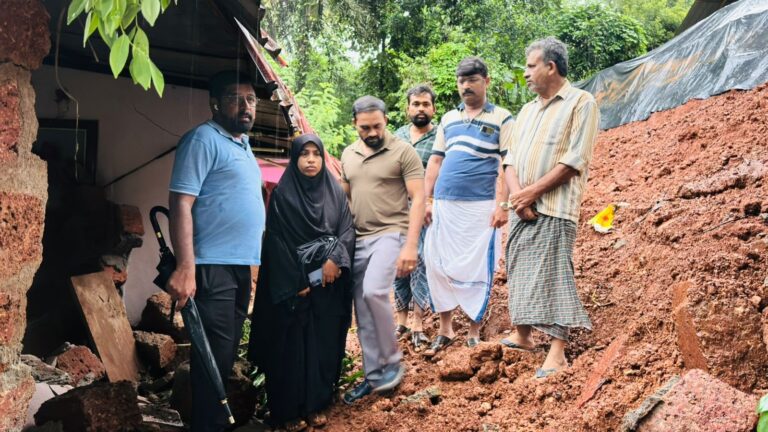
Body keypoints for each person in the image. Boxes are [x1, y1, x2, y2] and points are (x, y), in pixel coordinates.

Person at [166, 70, 265, 431]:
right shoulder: (202, 140)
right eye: (235, 99)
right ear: (215, 104)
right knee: (212, 360)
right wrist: (186, 267)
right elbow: (180, 203)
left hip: (237, 268)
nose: (246, 107)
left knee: (222, 359)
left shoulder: (242, 144)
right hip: (211, 267)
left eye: (251, 100)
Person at [502, 37, 598, 378]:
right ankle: (523, 335)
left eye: (530, 66)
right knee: (519, 268)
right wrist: (518, 197)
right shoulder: (527, 110)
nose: (526, 73)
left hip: (554, 208)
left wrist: (531, 195)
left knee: (554, 274)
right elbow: (509, 159)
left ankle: (557, 353)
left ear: (550, 67)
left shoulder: (581, 103)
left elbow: (574, 161)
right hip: (522, 206)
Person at [247, 134, 355, 431]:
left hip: (327, 285)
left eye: (316, 154)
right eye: (303, 154)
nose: (310, 160)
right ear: (294, 159)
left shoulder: (334, 191)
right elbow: (277, 241)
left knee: (322, 345)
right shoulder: (283, 195)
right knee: (290, 350)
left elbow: (346, 230)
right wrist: (298, 280)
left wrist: (334, 260)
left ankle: (315, 405)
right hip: (293, 289)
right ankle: (288, 411)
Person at [422, 57, 512, 356]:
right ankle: (445, 329)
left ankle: (474, 330)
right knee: (437, 263)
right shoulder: (447, 119)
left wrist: (502, 205)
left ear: (486, 81)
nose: (466, 86)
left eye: (472, 80)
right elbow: (435, 161)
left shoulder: (502, 118)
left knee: (477, 269)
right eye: (461, 80)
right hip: (445, 205)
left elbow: (506, 163)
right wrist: (426, 199)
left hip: (480, 207)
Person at [340, 96, 425, 404]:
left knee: (374, 292)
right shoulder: (348, 154)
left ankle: (392, 361)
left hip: (391, 233)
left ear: (386, 121)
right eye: (365, 127)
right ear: (355, 125)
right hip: (357, 239)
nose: (372, 132)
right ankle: (375, 376)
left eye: (377, 125)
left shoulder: (404, 152)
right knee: (362, 311)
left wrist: (412, 245)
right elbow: (343, 198)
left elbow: (419, 199)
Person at [392, 84, 438, 351]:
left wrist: (431, 201)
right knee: (397, 264)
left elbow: (443, 173)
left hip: (425, 211)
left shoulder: (440, 138)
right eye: (416, 104)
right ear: (408, 108)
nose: (420, 108)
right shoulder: (396, 137)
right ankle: (401, 321)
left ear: (433, 108)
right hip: (396, 211)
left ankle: (419, 322)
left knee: (420, 261)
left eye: (425, 104)